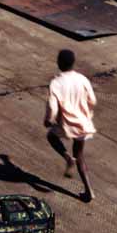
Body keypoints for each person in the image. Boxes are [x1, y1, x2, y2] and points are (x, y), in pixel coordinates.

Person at [44, 49, 97, 203]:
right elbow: (92, 100)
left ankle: (67, 157)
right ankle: (89, 191)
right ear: (73, 63)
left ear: (59, 64)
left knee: (51, 136)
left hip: (65, 124)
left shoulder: (56, 82)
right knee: (80, 155)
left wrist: (48, 119)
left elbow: (52, 107)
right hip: (82, 123)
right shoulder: (82, 79)